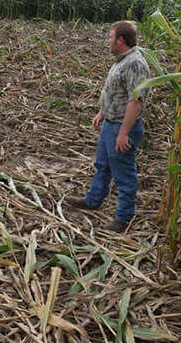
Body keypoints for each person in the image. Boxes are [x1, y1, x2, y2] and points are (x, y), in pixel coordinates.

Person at [65, 20, 151, 232]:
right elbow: (116, 91)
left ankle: (123, 218)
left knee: (124, 174)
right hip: (110, 124)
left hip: (122, 128)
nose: (108, 41)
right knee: (102, 166)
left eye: (110, 37)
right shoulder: (122, 60)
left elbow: (136, 101)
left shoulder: (135, 64)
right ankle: (93, 201)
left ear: (120, 40)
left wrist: (123, 133)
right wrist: (102, 112)